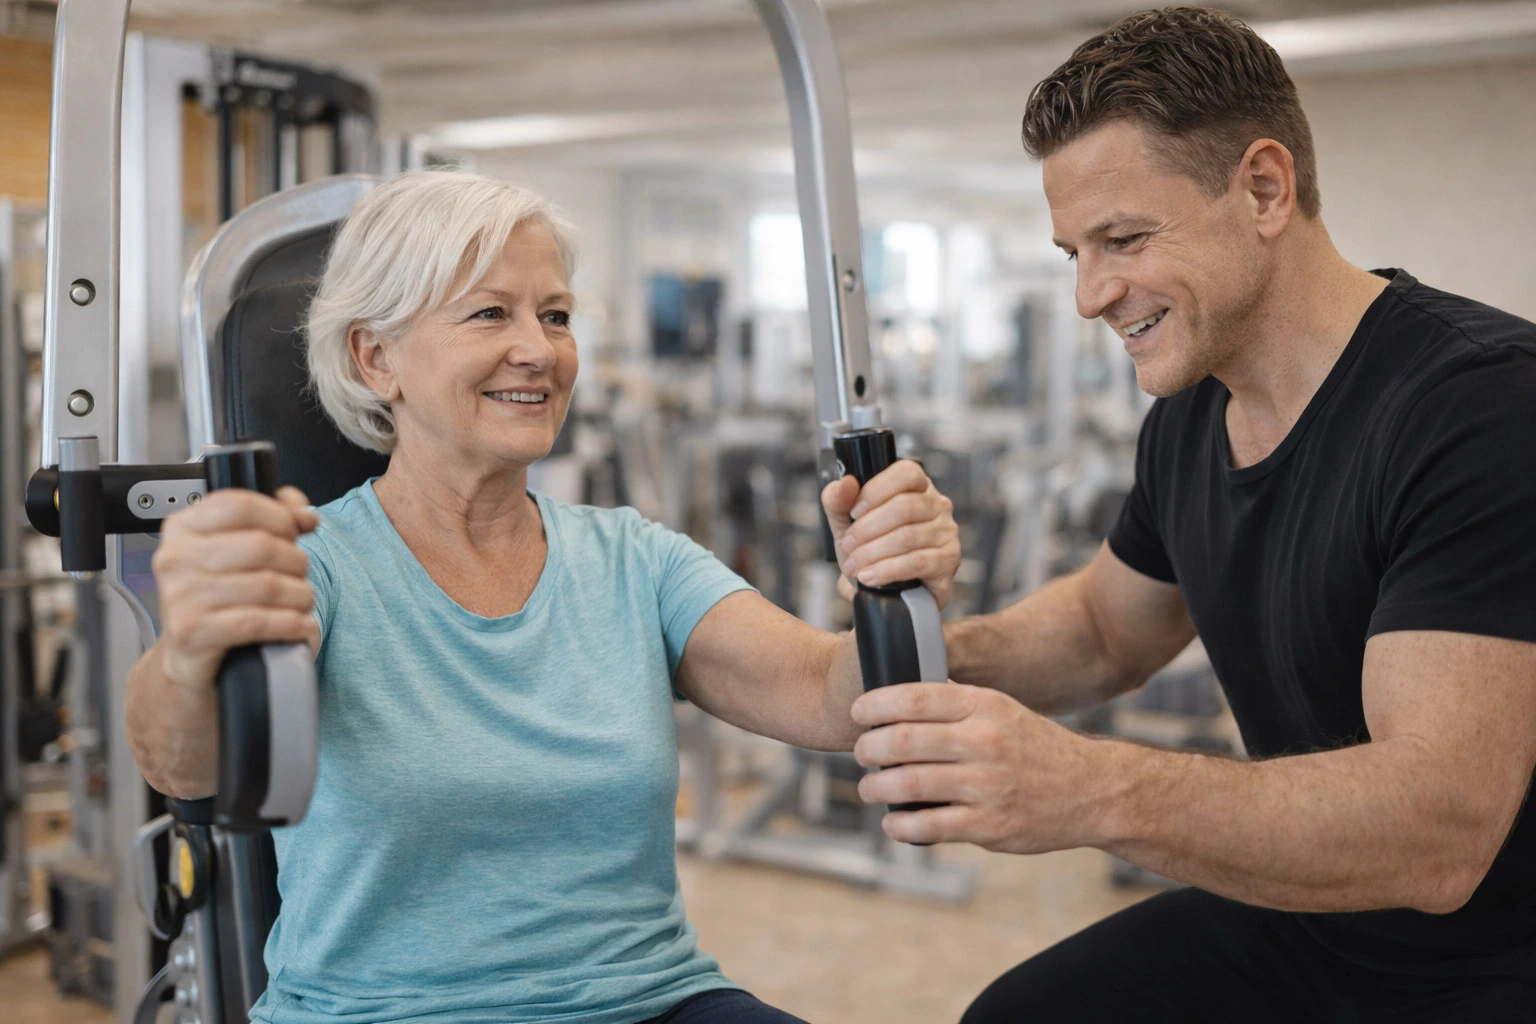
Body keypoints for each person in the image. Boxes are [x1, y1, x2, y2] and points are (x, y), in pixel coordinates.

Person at [125, 169, 962, 1024]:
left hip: (651, 1000)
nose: (539, 349)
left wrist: (893, 584)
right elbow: (185, 766)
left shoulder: (634, 561)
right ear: (376, 358)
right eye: (491, 313)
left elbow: (833, 699)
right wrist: (191, 647)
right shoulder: (316, 563)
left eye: (555, 316)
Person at [847, 8, 1536, 1021]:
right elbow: (1100, 632)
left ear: (1263, 188)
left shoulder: (1480, 404)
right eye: (1074, 251)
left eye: (1122, 239)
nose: (1090, 295)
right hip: (1307, 921)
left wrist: (1088, 788)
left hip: (1488, 961)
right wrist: (916, 652)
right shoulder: (1190, 412)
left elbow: (1439, 832)